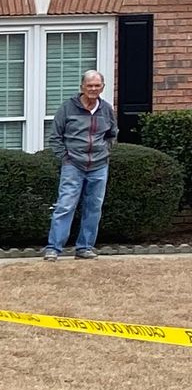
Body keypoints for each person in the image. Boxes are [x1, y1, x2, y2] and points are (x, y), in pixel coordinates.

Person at [43, 69, 116, 258]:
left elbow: (112, 134)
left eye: (97, 85)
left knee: (94, 207)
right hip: (73, 165)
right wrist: (66, 157)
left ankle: (85, 248)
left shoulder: (106, 109)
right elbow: (56, 137)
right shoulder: (67, 107)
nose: (93, 89)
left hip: (99, 165)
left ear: (102, 87)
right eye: (89, 85)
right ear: (82, 87)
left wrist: (106, 151)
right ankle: (54, 248)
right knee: (65, 205)